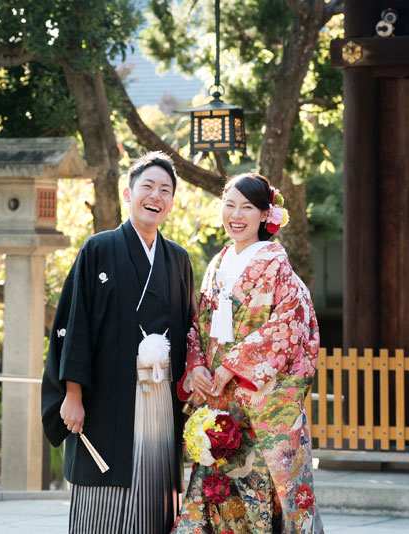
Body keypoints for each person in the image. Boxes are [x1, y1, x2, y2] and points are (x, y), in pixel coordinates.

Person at [41, 151, 197, 534]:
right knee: (103, 498)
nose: (155, 196)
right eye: (147, 186)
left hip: (159, 393)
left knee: (154, 490)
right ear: (128, 193)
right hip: (105, 398)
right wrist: (72, 394)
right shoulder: (98, 249)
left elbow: (191, 331)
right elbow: (74, 325)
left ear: (172, 202)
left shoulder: (177, 259)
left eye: (165, 190)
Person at [172, 173, 323, 534]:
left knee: (262, 492)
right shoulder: (216, 265)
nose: (236, 215)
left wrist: (231, 367)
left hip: (260, 401)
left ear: (265, 214)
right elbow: (197, 325)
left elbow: (289, 326)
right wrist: (196, 368)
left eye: (248, 207)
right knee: (217, 491)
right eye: (229, 205)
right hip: (220, 403)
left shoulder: (277, 266)